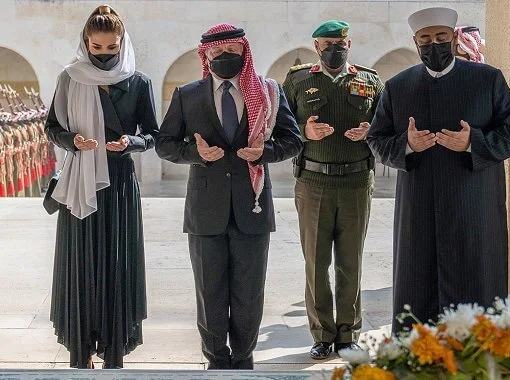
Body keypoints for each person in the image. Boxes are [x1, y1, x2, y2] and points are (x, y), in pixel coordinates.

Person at [366, 7, 510, 333]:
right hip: (419, 210)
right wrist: (407, 144)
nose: (433, 45)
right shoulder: (398, 87)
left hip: (474, 208)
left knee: (477, 292)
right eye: (426, 40)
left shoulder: (488, 80)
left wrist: (472, 142)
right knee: (418, 297)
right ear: (415, 41)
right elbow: (377, 141)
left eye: (441, 38)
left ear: (454, 38)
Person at [156, 23, 302, 370]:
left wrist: (264, 153)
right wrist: (195, 153)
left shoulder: (267, 92)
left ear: (243, 52)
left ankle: (244, 357)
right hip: (206, 210)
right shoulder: (187, 95)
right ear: (205, 55)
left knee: (249, 292)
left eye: (231, 52)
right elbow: (164, 144)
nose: (224, 57)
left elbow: (293, 140)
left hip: (252, 207)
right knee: (210, 292)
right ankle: (216, 360)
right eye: (217, 53)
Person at [45, 4, 158, 369]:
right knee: (82, 262)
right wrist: (72, 140)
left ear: (122, 42)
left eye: (112, 48)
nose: (105, 55)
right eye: (98, 48)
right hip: (82, 178)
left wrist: (131, 142)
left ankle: (114, 352)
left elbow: (151, 134)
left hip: (120, 179)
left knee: (118, 262)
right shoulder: (71, 77)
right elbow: (52, 128)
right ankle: (80, 351)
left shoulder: (138, 81)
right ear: (86, 43)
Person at [282, 20, 384, 359]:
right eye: (326, 44)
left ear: (349, 44)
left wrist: (372, 131)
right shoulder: (298, 80)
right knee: (315, 261)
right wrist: (304, 131)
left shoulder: (369, 81)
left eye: (338, 44)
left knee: (350, 261)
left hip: (356, 181)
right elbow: (279, 128)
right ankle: (322, 334)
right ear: (316, 47)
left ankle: (347, 334)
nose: (332, 50)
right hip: (313, 183)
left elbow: (388, 127)